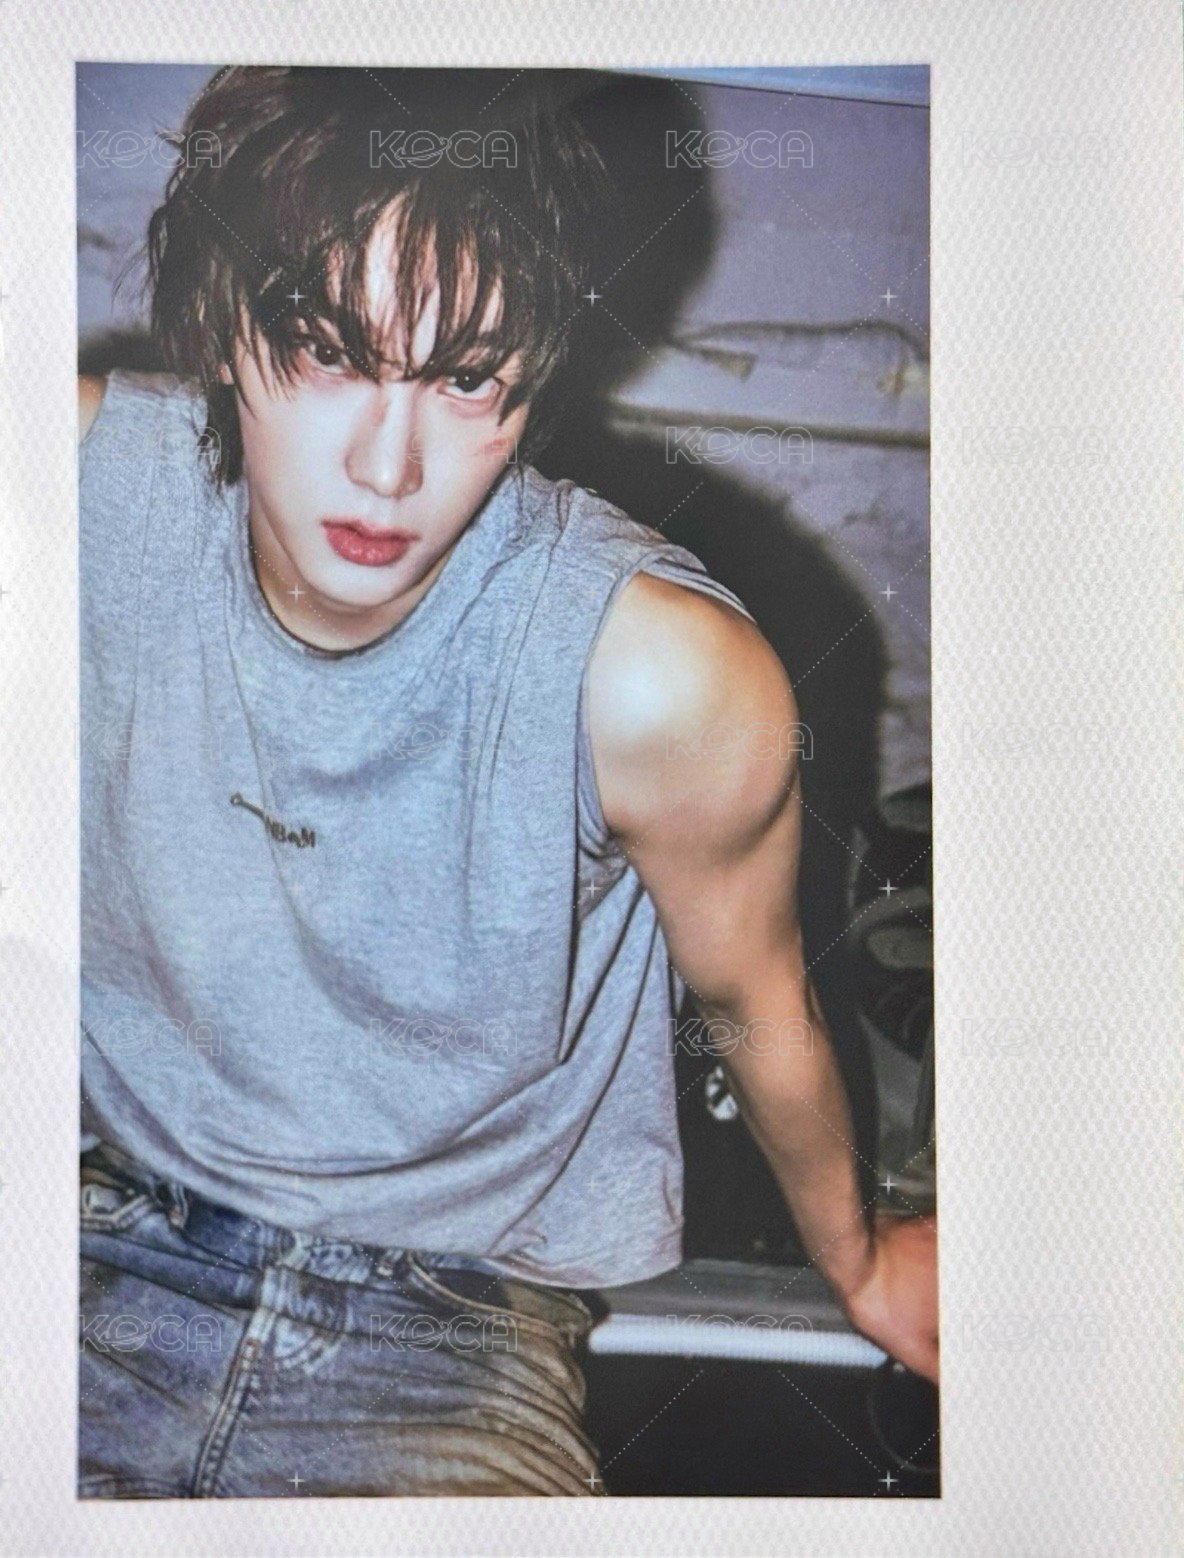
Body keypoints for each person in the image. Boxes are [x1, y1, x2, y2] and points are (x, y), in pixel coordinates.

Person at [77, 64, 937, 1499]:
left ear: (534, 373)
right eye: (330, 352)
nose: (388, 465)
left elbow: (755, 993)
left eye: (464, 376)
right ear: (225, 320)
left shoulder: (659, 679)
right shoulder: (69, 499)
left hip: (457, 1322)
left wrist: (857, 1258)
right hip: (98, 1242)